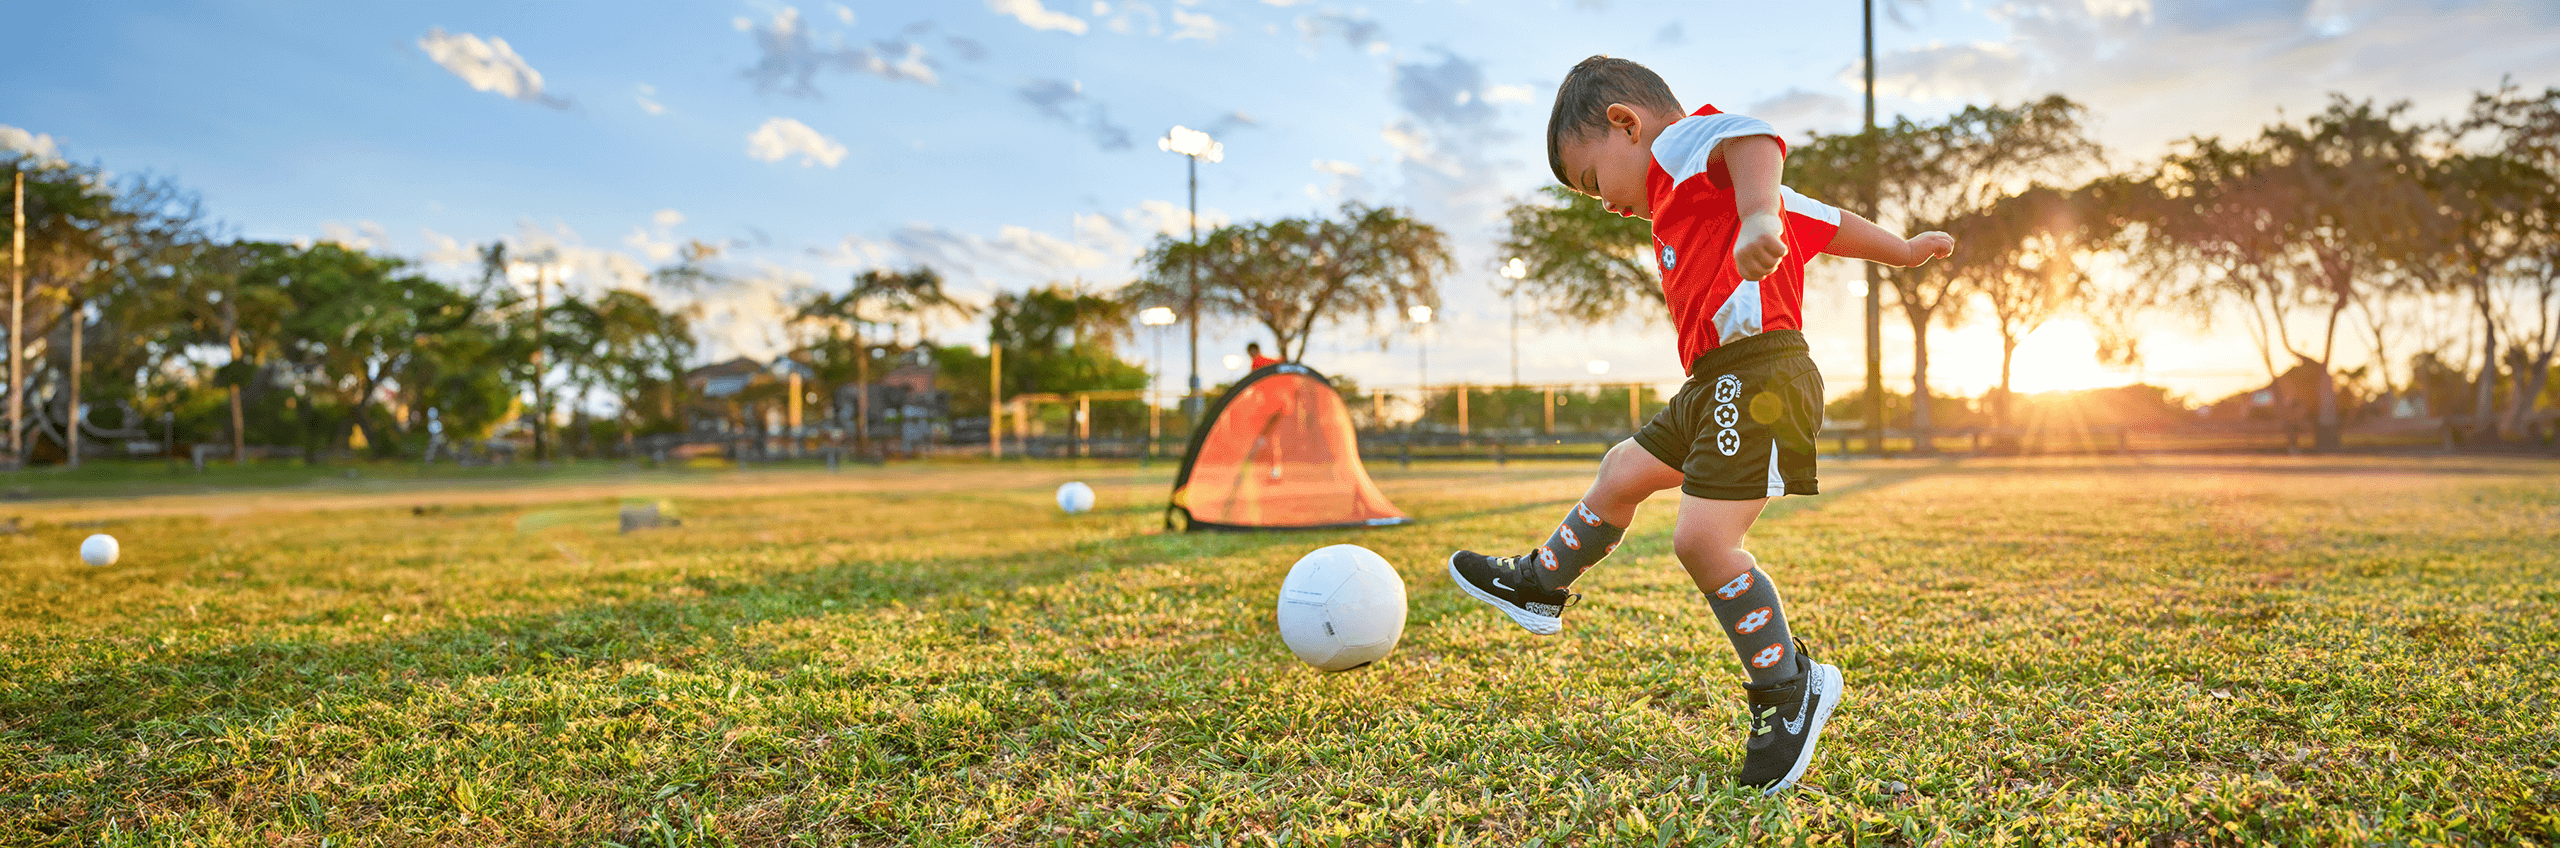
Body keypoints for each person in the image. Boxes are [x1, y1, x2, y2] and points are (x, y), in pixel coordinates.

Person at [1447, 55, 1954, 795]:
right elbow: (1823, 220)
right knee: (1623, 470)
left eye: (1593, 181)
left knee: (1703, 540)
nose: (1604, 203)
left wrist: (1755, 217)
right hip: (1717, 380)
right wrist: (1902, 251)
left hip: (1760, 377)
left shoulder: (1683, 147)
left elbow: (1757, 140)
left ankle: (1790, 686)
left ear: (1626, 123)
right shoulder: (1696, 190)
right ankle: (1541, 584)